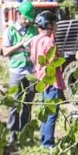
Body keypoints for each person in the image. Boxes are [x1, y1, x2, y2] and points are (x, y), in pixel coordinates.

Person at [1, 0, 38, 145]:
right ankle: (12, 133)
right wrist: (20, 44)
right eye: (26, 17)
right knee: (14, 103)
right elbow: (5, 51)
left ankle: (25, 133)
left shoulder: (33, 30)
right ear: (19, 15)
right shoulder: (10, 31)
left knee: (28, 104)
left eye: (30, 18)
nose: (28, 20)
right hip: (16, 71)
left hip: (30, 71)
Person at [28, 11, 65, 148]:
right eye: (54, 24)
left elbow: (33, 59)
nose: (56, 27)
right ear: (48, 25)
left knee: (45, 111)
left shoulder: (35, 40)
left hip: (41, 80)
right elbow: (54, 61)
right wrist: (60, 56)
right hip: (52, 81)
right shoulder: (49, 41)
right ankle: (48, 143)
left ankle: (43, 139)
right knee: (51, 113)